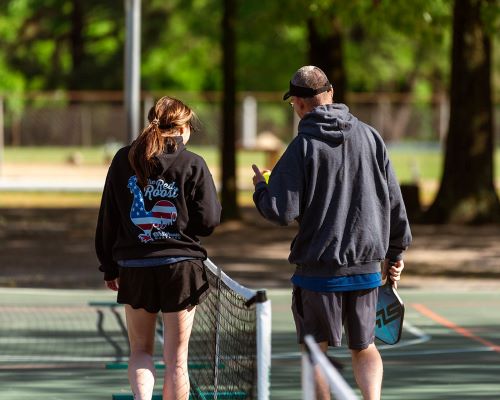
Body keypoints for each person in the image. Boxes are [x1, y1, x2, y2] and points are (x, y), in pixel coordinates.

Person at [252, 66, 412, 400]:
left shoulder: (302, 146)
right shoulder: (371, 137)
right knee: (365, 345)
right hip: (367, 268)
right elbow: (394, 201)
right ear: (332, 92)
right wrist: (396, 252)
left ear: (297, 103)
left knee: (315, 352)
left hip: (318, 271)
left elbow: (281, 211)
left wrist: (260, 187)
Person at [95, 96, 221, 400]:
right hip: (181, 269)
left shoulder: (123, 158)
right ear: (183, 127)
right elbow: (208, 221)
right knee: (177, 361)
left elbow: (107, 219)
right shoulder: (193, 163)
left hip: (135, 267)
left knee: (140, 351)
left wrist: (109, 266)